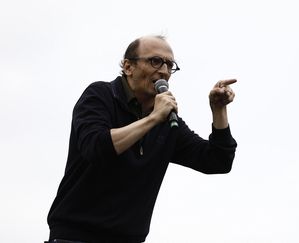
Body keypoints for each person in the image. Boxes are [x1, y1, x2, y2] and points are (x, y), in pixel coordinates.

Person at [46, 35, 237, 243]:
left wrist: (219, 110)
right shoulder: (100, 95)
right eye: (155, 61)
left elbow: (217, 160)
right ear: (129, 67)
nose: (164, 70)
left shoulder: (167, 122)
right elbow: (96, 147)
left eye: (169, 64)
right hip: (76, 236)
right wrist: (153, 118)